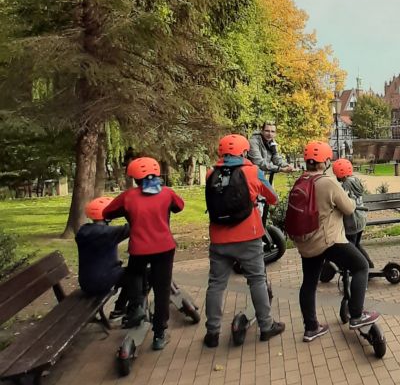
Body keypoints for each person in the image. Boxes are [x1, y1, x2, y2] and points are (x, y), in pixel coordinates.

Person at [286, 142, 379, 342]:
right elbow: (349, 208)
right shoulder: (327, 182)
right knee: (361, 266)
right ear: (326, 161)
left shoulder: (301, 180)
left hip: (307, 243)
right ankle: (356, 315)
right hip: (328, 240)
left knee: (309, 283)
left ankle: (311, 328)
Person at [203, 134, 285, 348]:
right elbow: (273, 197)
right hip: (248, 237)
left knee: (216, 284)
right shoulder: (251, 172)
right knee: (257, 280)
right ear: (244, 152)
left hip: (219, 239)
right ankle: (266, 327)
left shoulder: (211, 173)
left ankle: (212, 332)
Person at [103, 157, 184, 350]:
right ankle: (159, 335)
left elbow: (108, 212)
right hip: (164, 248)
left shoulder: (128, 197)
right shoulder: (166, 193)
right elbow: (179, 206)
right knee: (162, 289)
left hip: (139, 249)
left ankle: (137, 307)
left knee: (134, 275)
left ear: (135, 178)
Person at [76, 196, 130, 318]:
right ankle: (120, 309)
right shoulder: (108, 233)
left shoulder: (83, 231)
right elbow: (131, 228)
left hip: (86, 282)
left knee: (127, 273)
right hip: (102, 281)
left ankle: (120, 309)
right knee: (136, 275)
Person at [332, 158, 373, 267]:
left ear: (340, 174)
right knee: (356, 245)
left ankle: (359, 267)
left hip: (352, 222)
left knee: (351, 247)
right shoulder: (356, 180)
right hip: (361, 219)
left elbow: (341, 200)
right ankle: (369, 265)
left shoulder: (346, 184)